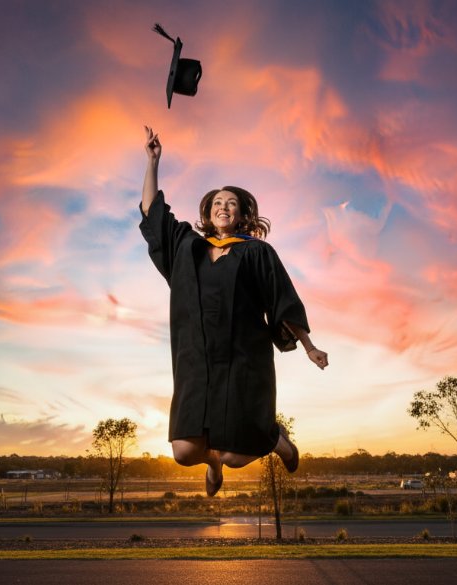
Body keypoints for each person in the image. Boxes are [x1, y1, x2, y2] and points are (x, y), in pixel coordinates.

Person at [139, 125, 329, 496]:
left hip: (243, 359)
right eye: (217, 203)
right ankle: (210, 465)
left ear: (241, 216)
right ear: (207, 214)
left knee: (236, 454)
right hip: (196, 359)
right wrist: (152, 162)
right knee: (184, 451)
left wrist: (309, 346)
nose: (223, 207)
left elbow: (282, 299)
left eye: (231, 203)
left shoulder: (256, 252)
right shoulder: (187, 247)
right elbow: (152, 215)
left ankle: (278, 441)